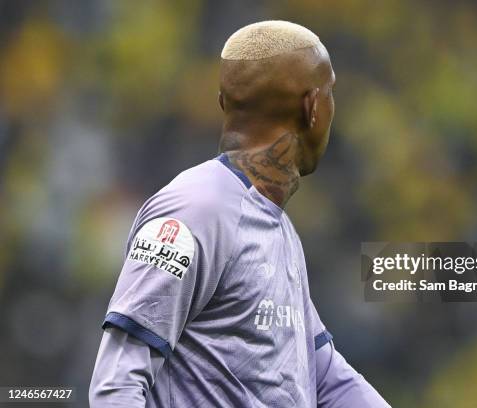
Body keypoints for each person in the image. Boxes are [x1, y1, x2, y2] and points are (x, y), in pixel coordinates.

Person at [89, 20, 390, 407]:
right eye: (331, 92)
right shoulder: (194, 211)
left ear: (222, 104)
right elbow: (117, 384)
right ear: (312, 107)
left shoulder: (276, 226)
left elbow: (325, 376)